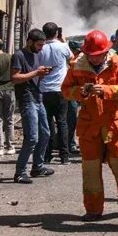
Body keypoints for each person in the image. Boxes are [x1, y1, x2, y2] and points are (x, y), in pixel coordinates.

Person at [61, 30, 118, 221]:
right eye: (90, 56)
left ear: (105, 52)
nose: (93, 59)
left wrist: (107, 90)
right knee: (90, 170)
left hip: (115, 123)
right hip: (90, 126)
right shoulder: (77, 65)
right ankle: (93, 209)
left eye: (97, 56)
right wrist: (81, 92)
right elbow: (66, 91)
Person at [11, 29, 54, 184]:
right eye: (39, 45)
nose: (41, 48)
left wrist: (42, 73)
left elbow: (34, 74)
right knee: (32, 138)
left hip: (38, 97)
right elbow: (15, 78)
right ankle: (20, 172)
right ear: (29, 41)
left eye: (42, 45)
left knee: (45, 133)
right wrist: (36, 72)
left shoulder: (36, 55)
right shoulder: (19, 55)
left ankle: (38, 166)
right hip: (27, 100)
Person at [37, 22, 73, 165]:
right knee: (62, 122)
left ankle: (47, 154)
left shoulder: (41, 49)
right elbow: (71, 60)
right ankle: (64, 155)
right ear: (57, 33)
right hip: (60, 89)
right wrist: (64, 42)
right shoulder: (63, 47)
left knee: (47, 123)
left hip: (44, 89)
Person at [0, 38, 15, 156]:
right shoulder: (10, 57)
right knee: (9, 119)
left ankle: (0, 147)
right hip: (10, 89)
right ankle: (10, 146)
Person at [67, 40, 82, 154]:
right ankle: (69, 144)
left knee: (71, 120)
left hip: (73, 95)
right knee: (69, 120)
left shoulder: (78, 61)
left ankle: (69, 143)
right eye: (77, 51)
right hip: (68, 94)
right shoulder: (69, 61)